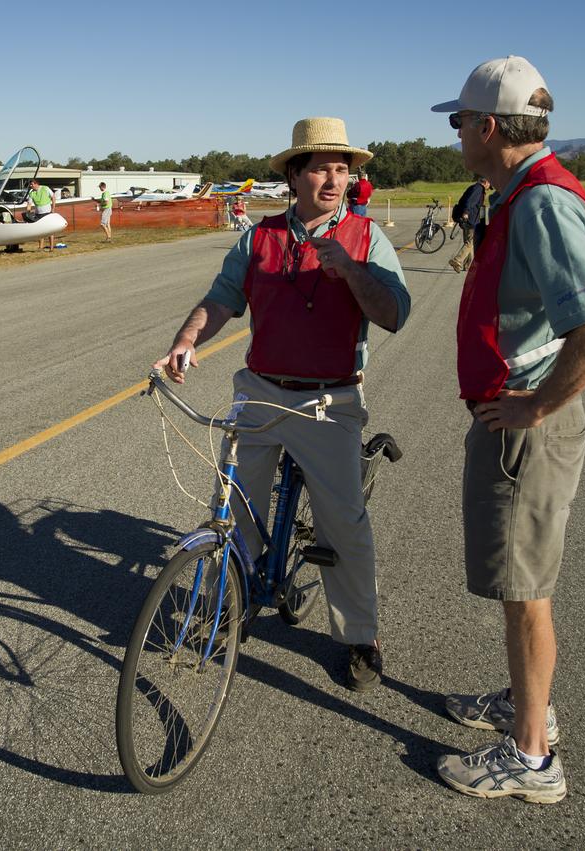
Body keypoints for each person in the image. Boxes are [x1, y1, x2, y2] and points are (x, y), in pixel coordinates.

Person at [429, 55, 585, 803]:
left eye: (459, 123)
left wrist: (535, 405)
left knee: (526, 590)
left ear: (487, 128)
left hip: (525, 429)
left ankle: (533, 757)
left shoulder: (541, 203)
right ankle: (525, 707)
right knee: (522, 587)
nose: (455, 136)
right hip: (515, 418)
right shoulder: (516, 192)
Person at [153, 117, 410, 691]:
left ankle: (358, 636)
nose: (334, 178)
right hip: (262, 392)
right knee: (235, 509)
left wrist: (353, 273)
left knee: (342, 523)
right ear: (294, 176)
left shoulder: (368, 238)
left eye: (343, 168)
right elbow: (221, 300)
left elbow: (396, 313)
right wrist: (186, 341)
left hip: (330, 398)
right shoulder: (259, 238)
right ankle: (232, 602)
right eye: (321, 166)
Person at [448, 176, 490, 273]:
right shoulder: (478, 189)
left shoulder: (474, 187)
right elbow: (470, 201)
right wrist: (466, 213)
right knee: (470, 243)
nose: (488, 188)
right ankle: (457, 260)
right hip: (470, 219)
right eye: (489, 185)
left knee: (468, 242)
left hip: (469, 219)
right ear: (486, 182)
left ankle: (467, 266)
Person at [26, 178, 56, 251]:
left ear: (36, 184)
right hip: (38, 214)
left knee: (50, 230)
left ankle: (51, 248)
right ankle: (40, 247)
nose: (31, 186)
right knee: (40, 231)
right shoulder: (31, 192)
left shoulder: (45, 188)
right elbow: (29, 203)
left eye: (32, 184)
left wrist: (53, 209)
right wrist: (28, 212)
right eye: (30, 184)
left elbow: (53, 197)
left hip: (47, 212)